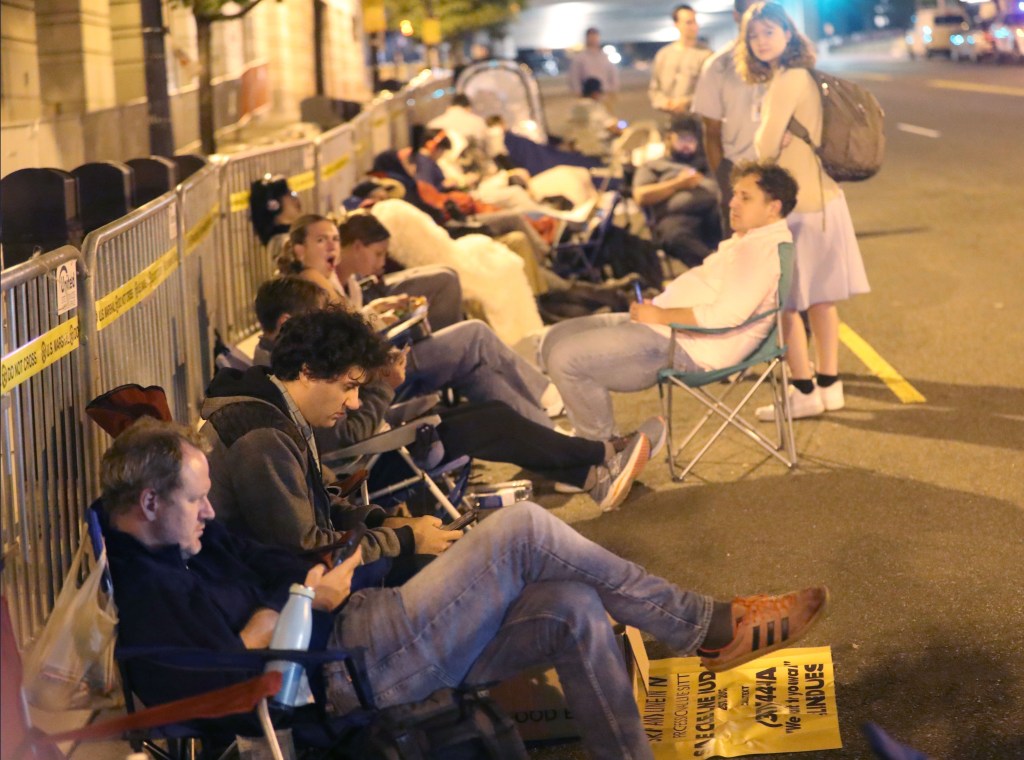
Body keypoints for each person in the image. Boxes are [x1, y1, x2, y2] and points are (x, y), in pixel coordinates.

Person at [99, 416, 831, 760]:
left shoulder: (190, 538)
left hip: (365, 625)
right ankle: (704, 625)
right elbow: (239, 691)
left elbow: (272, 565)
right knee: (523, 532)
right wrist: (298, 603)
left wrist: (315, 582)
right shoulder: (147, 597)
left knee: (573, 608)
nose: (209, 510)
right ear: (150, 504)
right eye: (195, 500)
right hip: (354, 673)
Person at [252, 277, 661, 512]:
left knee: (488, 410)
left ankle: (591, 473)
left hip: (377, 449)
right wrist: (383, 386)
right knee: (492, 420)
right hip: (368, 467)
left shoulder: (288, 365)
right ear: (288, 322)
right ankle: (600, 455)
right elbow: (347, 436)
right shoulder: (290, 374)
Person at [542, 161, 796, 441]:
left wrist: (660, 316)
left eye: (745, 197)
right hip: (668, 328)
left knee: (567, 358)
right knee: (556, 336)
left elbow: (726, 316)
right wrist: (659, 308)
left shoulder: (759, 251)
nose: (733, 203)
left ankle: (599, 455)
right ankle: (571, 421)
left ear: (774, 207)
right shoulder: (750, 240)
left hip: (688, 347)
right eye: (735, 194)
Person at [201, 306, 460, 560]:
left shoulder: (281, 413)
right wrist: (404, 540)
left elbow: (315, 507)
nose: (355, 403)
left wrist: (385, 522)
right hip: (266, 588)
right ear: (307, 372)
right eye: (348, 386)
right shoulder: (261, 436)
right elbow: (305, 548)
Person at [276, 215, 561, 427]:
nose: (331, 246)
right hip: (377, 372)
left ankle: (552, 436)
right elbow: (347, 337)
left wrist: (377, 310)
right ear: (300, 250)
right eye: (320, 240)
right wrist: (378, 317)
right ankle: (544, 394)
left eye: (335, 238)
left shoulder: (337, 281)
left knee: (477, 371)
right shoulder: (311, 285)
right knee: (475, 333)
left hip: (379, 362)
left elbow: (353, 324)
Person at [735, 1, 870, 420]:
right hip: (826, 202)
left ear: (788, 34)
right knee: (822, 302)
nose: (761, 41)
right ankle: (830, 387)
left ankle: (804, 391)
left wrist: (765, 132)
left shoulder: (787, 79)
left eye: (769, 32)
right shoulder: (802, 76)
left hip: (798, 209)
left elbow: (765, 146)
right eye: (754, 35)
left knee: (788, 304)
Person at [691, 0, 762, 237]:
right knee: (741, 250)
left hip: (782, 170)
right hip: (739, 169)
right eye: (751, 14)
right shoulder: (718, 66)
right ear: (736, 16)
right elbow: (711, 131)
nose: (758, 23)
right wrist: (725, 183)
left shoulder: (781, 62)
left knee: (786, 253)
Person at [634, 115, 722, 268]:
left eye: (692, 140)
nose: (688, 144)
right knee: (676, 236)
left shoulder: (706, 163)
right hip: (676, 218)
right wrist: (678, 184)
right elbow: (641, 195)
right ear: (669, 138)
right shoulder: (654, 166)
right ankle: (715, 268)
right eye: (683, 139)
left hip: (713, 213)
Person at [649, 5, 712, 128]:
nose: (694, 26)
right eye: (688, 22)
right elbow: (655, 89)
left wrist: (686, 102)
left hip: (696, 123)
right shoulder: (664, 55)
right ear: (677, 24)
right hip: (669, 123)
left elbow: (711, 91)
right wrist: (666, 103)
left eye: (694, 21)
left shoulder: (706, 55)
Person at [564, 77, 622, 159]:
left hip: (579, 151)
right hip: (599, 151)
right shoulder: (596, 107)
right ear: (595, 93)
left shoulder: (573, 108)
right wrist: (622, 132)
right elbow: (612, 127)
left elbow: (569, 134)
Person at [568, 28, 619, 108]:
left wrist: (612, 91)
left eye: (595, 37)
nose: (593, 40)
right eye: (591, 37)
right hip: (586, 96)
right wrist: (578, 93)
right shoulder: (580, 58)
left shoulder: (605, 57)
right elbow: (574, 77)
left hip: (604, 94)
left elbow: (613, 75)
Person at [249, 174, 302, 247]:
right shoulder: (284, 244)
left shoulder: (290, 237)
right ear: (275, 206)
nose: (297, 200)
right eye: (290, 194)